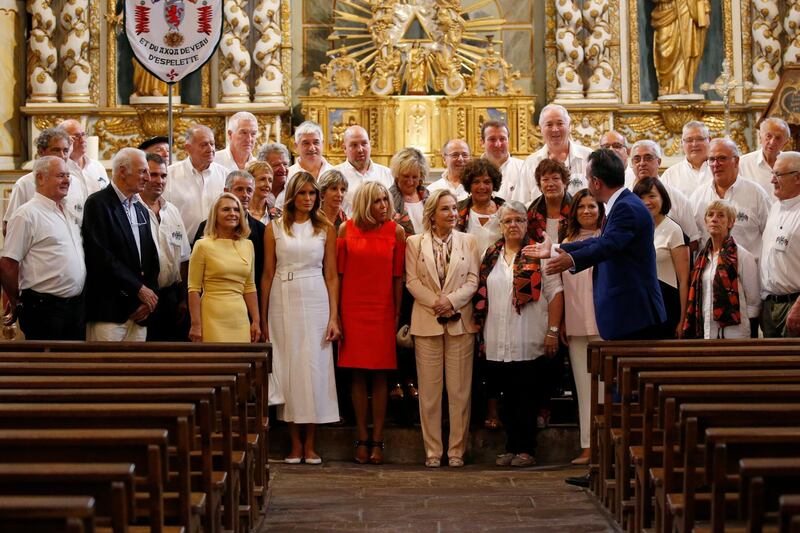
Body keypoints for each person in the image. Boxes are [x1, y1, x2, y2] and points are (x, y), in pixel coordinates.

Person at [529, 148, 666, 487]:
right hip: (625, 313)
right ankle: (611, 469)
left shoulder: (627, 209)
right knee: (616, 396)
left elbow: (608, 247)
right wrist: (560, 250)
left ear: (595, 181)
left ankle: (621, 471)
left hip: (632, 315)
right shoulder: (619, 205)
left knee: (625, 398)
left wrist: (567, 259)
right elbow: (603, 242)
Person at [473, 200, 564, 468]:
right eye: (507, 221)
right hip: (497, 337)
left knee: (527, 396)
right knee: (506, 397)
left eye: (518, 220)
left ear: (527, 223)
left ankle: (527, 449)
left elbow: (555, 294)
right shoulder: (491, 255)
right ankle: (511, 446)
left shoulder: (538, 252)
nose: (513, 225)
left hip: (529, 336)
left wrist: (553, 331)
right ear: (500, 226)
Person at [261, 172, 340, 464]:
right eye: (303, 193)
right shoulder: (275, 229)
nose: (308, 199)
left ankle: (311, 444)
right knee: (290, 367)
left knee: (314, 368)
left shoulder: (325, 228)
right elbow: (267, 275)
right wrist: (263, 318)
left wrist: (334, 316)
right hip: (283, 297)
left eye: (312, 194)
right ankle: (294, 444)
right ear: (292, 196)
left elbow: (331, 275)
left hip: (316, 295)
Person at [405, 189, 480, 468]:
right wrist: (435, 302)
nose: (452, 214)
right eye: (445, 209)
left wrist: (450, 300)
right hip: (427, 322)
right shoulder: (415, 242)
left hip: (460, 321)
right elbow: (411, 281)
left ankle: (457, 450)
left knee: (460, 392)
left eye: (454, 209)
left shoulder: (468, 241)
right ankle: (433, 451)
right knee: (430, 392)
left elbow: (473, 280)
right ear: (432, 215)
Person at [337, 181, 406, 464]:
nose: (384, 206)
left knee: (380, 374)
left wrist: (396, 313)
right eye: (377, 201)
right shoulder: (346, 229)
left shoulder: (396, 231)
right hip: (352, 308)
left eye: (386, 201)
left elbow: (398, 276)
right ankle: (360, 437)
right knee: (357, 375)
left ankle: (378, 439)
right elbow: (338, 275)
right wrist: (337, 313)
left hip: (383, 308)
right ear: (365, 203)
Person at [0, 156, 86, 340]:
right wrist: (15, 301)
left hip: (75, 307)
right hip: (44, 308)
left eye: (68, 175)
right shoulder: (26, 214)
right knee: (47, 365)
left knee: (74, 365)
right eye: (60, 175)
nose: (67, 180)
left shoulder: (67, 210)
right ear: (40, 178)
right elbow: (8, 263)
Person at [82, 147, 160, 342]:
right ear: (123, 171)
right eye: (143, 171)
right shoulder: (98, 204)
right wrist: (139, 290)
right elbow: (100, 256)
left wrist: (148, 297)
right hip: (110, 310)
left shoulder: (141, 209)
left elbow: (151, 257)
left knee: (136, 372)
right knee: (105, 370)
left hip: (141, 311)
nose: (148, 178)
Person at [560, 189, 604, 465]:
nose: (587, 211)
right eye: (581, 207)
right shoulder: (566, 242)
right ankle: (588, 445)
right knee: (583, 387)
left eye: (592, 206)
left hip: (603, 321)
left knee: (603, 387)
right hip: (576, 321)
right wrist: (561, 320)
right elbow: (562, 287)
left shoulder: (607, 239)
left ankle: (605, 444)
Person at [188, 192, 260, 343]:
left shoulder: (248, 245)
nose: (232, 214)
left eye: (236, 210)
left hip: (239, 317)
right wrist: (196, 324)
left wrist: (256, 321)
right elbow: (193, 289)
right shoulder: (202, 245)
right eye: (226, 209)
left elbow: (249, 287)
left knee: (240, 365)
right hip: (211, 316)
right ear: (215, 214)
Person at [683, 200, 760, 339]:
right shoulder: (702, 257)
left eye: (721, 215)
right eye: (710, 215)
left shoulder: (742, 256)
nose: (714, 219)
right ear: (705, 222)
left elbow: (753, 302)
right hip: (706, 330)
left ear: (730, 223)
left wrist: (752, 334)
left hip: (735, 333)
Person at [388, 147, 429, 401]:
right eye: (406, 177)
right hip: (400, 272)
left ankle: (417, 379)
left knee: (421, 329)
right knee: (401, 327)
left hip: (427, 272)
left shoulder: (428, 196)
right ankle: (399, 380)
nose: (411, 182)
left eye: (415, 177)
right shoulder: (390, 199)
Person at [140, 153, 191, 342]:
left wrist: (183, 298)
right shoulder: (130, 209)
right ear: (142, 175)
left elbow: (184, 258)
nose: (159, 180)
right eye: (153, 175)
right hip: (143, 295)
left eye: (163, 176)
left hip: (170, 295)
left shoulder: (172, 211)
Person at [689, 138, 770, 258]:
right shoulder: (698, 197)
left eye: (722, 158)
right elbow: (693, 240)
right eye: (712, 159)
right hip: (710, 273)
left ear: (736, 161)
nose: (716, 164)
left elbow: (770, 237)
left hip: (747, 273)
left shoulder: (756, 194)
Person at [195, 170, 266, 304]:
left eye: (249, 190)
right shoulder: (206, 227)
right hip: (212, 302)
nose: (245, 195)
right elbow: (195, 279)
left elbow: (261, 273)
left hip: (248, 305)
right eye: (239, 189)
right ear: (226, 191)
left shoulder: (261, 230)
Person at [633, 177, 690, 338]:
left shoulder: (673, 230)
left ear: (663, 198)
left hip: (666, 304)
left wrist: (683, 319)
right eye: (641, 198)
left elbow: (684, 280)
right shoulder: (633, 229)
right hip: (639, 305)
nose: (646, 202)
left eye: (652, 196)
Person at [3, 128, 84, 234]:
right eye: (56, 150)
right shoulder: (24, 184)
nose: (62, 156)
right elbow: (10, 227)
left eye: (65, 150)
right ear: (41, 152)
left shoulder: (76, 183)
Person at [628, 140, 701, 247]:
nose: (642, 163)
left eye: (648, 158)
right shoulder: (625, 196)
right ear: (632, 164)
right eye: (637, 159)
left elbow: (692, 241)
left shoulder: (677, 198)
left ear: (659, 162)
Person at [164, 124, 227, 242]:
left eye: (212, 144)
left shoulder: (225, 175)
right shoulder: (169, 176)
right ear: (188, 148)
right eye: (204, 144)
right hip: (183, 249)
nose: (210, 149)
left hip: (218, 247)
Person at [760, 151, 800, 337]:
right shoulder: (776, 206)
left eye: (778, 175)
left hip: (794, 304)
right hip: (769, 305)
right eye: (772, 174)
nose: (772, 180)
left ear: (797, 177)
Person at [523, 104, 592, 196]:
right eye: (549, 124)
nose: (555, 129)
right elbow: (521, 203)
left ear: (569, 126)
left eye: (560, 123)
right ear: (541, 129)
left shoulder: (588, 156)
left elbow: (600, 198)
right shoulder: (530, 163)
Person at [333, 125, 393, 215]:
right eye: (354, 145)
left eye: (364, 143)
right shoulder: (334, 175)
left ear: (370, 144)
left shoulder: (387, 174)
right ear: (344, 148)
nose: (360, 149)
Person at [456, 158, 504, 256]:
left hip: (498, 269)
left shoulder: (505, 210)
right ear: (468, 185)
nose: (482, 187)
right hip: (465, 268)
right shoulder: (457, 210)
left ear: (494, 184)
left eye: (487, 182)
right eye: (476, 182)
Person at [739, 117, 791, 201]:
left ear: (786, 143)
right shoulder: (743, 164)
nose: (772, 142)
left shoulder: (793, 165)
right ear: (760, 137)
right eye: (768, 136)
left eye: (778, 138)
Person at [483, 120, 532, 204]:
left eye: (502, 139)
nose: (498, 144)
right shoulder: (471, 171)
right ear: (482, 142)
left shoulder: (524, 168)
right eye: (492, 139)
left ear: (508, 141)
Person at [661, 120, 713, 198]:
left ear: (709, 140)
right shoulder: (670, 175)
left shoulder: (720, 169)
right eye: (689, 140)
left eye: (700, 139)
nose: (694, 144)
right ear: (682, 143)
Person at [527, 158, 572, 244]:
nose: (550, 184)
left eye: (555, 178)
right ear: (539, 185)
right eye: (545, 179)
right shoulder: (532, 212)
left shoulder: (576, 208)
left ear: (564, 182)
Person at [60, 119, 109, 192]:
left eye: (83, 134)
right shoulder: (61, 168)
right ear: (63, 140)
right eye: (76, 136)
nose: (82, 140)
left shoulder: (97, 166)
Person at [256, 142, 291, 214]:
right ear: (262, 167)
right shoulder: (254, 190)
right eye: (276, 165)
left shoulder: (295, 190)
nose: (283, 169)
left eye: (285, 164)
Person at [246, 160, 273, 224]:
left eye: (270, 180)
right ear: (249, 181)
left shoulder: (278, 215)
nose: (267, 184)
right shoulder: (237, 212)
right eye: (262, 179)